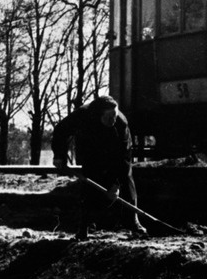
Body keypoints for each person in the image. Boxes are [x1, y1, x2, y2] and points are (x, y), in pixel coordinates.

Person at [52, 95, 148, 240]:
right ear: (98, 115)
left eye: (114, 116)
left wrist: (116, 185)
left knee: (126, 179)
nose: (113, 120)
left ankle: (133, 222)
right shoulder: (82, 116)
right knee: (89, 185)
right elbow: (60, 131)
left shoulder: (120, 124)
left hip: (115, 153)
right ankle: (84, 227)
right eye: (109, 117)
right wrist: (59, 155)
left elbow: (124, 158)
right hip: (91, 150)